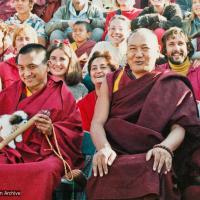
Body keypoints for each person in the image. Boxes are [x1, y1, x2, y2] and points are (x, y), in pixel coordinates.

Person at [86, 28, 200, 200]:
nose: (138, 54)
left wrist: (166, 147)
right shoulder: (112, 80)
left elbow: (180, 126)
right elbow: (97, 123)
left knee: (154, 170)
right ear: (126, 51)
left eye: (145, 48)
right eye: (132, 49)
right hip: (115, 154)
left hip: (155, 154)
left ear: (157, 51)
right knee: (103, 170)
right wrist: (103, 148)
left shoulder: (172, 83)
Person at [0, 43, 83, 200]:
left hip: (46, 155)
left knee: (47, 169)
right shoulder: (11, 92)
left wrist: (52, 130)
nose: (26, 73)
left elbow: (75, 132)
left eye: (32, 67)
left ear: (48, 66)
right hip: (13, 152)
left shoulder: (62, 94)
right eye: (21, 68)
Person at [77, 51, 116, 132]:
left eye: (103, 67)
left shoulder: (122, 97)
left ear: (112, 72)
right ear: (90, 75)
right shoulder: (82, 105)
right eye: (94, 68)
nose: (98, 71)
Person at [158, 27, 200, 101]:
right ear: (165, 50)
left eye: (180, 43)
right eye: (171, 44)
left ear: (188, 48)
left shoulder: (198, 71)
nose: (177, 49)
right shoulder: (158, 73)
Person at [0, 24, 38, 90]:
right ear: (14, 44)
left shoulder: (42, 66)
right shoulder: (3, 67)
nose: (24, 43)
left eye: (27, 39)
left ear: (35, 43)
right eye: (20, 39)